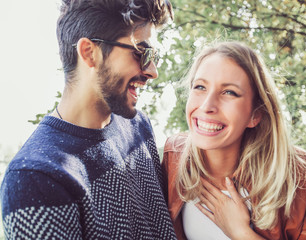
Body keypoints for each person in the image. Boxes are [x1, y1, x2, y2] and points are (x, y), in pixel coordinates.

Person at [0, 0, 177, 239]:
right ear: (89, 53)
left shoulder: (138, 126)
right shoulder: (35, 177)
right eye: (141, 53)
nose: (153, 71)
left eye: (153, 54)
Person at [162, 41, 306, 240]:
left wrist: (241, 233)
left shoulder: (297, 174)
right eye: (200, 87)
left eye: (229, 92)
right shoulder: (174, 155)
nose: (207, 105)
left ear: (255, 114)